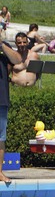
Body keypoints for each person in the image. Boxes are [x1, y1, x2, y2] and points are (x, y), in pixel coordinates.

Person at [0, 40, 23, 183]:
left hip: (1, 99)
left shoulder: (4, 46)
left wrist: (1, 44)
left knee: (0, 138)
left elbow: (17, 60)